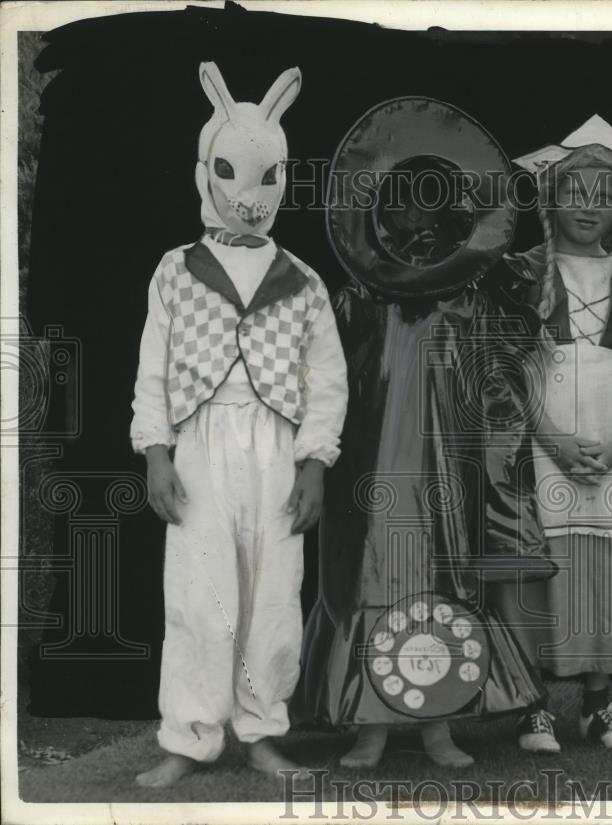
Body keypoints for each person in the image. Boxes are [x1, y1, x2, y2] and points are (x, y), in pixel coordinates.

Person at [297, 98, 548, 770]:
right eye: (403, 210)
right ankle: (370, 725)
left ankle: (440, 723)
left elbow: (501, 384)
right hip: (367, 472)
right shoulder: (351, 301)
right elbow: (318, 380)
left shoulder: (469, 299)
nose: (416, 225)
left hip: (445, 473)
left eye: (431, 213)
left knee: (441, 577)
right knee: (366, 580)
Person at [129, 62, 348, 787]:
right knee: (197, 591)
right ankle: (190, 736)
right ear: (207, 171)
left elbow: (326, 379)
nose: (249, 198)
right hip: (199, 445)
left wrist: (314, 461)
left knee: (274, 595)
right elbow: (153, 370)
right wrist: (157, 453)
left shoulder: (304, 280)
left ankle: (260, 731)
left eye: (265, 177)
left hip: (275, 447)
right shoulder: (175, 270)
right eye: (233, 174)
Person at [491, 116, 612, 754]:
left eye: (602, 193)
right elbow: (509, 371)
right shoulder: (524, 270)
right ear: (551, 197)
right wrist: (554, 441)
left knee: (605, 567)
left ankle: (601, 704)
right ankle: (532, 707)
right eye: (575, 191)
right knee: (545, 569)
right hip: (547, 446)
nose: (587, 206)